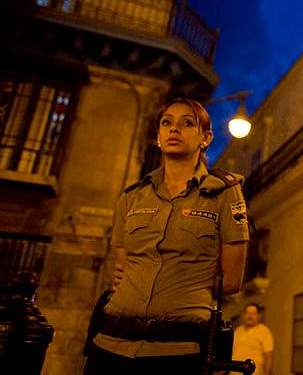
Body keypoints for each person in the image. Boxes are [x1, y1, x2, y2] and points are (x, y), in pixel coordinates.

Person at [83, 98, 250, 374]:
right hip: (110, 345)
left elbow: (231, 280)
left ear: (206, 138)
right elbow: (122, 270)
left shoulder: (224, 194)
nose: (174, 129)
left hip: (178, 351)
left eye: (187, 123)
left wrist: (179, 281)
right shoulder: (132, 196)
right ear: (158, 137)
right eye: (167, 123)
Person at [231, 302, 274, 375]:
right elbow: (231, 353)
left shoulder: (264, 331)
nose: (250, 316)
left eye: (253, 313)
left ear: (258, 316)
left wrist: (267, 373)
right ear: (243, 315)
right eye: (247, 313)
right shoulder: (238, 331)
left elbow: (268, 356)